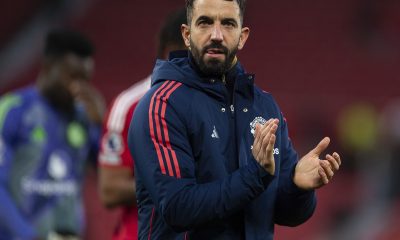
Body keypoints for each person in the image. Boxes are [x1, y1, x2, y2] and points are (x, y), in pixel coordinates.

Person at [128, 0, 342, 239]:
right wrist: (255, 174)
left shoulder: (264, 106)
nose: (217, 35)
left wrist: (298, 188)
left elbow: (282, 212)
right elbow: (179, 207)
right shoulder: (163, 105)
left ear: (242, 36)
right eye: (205, 22)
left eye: (228, 24)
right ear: (187, 35)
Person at [0, 29, 104, 240]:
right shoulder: (13, 110)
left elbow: (108, 176)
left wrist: (102, 125)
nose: (78, 87)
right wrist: (27, 235)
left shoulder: (84, 118)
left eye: (85, 79)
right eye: (72, 76)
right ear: (48, 67)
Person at [97, 8, 187, 240]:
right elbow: (111, 189)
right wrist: (178, 185)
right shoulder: (129, 105)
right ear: (170, 51)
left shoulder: (219, 104)